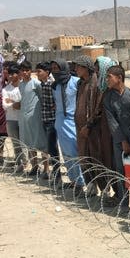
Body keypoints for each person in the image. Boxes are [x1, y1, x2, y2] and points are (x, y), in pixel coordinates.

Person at [103, 64, 130, 207]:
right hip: (119, 140)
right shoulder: (108, 98)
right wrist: (123, 140)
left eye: (109, 77)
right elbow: (112, 121)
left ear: (119, 78)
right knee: (121, 169)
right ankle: (124, 200)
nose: (107, 80)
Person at [74, 55, 109, 195]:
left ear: (86, 68)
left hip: (92, 129)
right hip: (80, 128)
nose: (76, 69)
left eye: (79, 67)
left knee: (96, 157)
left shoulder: (96, 83)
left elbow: (97, 108)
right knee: (84, 156)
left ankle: (104, 189)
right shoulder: (80, 83)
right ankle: (91, 185)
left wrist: (88, 125)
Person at [51, 59, 84, 192]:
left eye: (57, 68)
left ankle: (81, 182)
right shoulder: (55, 86)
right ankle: (73, 180)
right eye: (52, 69)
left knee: (75, 153)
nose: (54, 71)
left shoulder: (76, 82)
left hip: (73, 122)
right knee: (66, 154)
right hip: (60, 122)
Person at [18, 61, 48, 176]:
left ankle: (45, 168)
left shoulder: (36, 84)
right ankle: (35, 166)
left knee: (41, 142)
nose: (25, 72)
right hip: (25, 118)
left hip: (36, 117)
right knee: (30, 143)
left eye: (27, 70)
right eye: (23, 70)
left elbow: (42, 98)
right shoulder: (21, 85)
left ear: (31, 71)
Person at [2, 63, 27, 172]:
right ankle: (19, 162)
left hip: (23, 118)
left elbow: (24, 104)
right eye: (9, 74)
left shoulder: (24, 87)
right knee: (15, 142)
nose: (11, 76)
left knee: (24, 141)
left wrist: (13, 103)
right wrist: (15, 104)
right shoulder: (6, 89)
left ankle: (27, 161)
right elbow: (5, 105)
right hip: (11, 118)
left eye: (14, 74)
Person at [35, 61, 59, 179]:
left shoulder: (52, 84)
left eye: (39, 71)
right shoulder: (42, 84)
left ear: (47, 72)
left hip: (52, 120)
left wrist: (55, 106)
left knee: (52, 148)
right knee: (49, 147)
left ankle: (57, 172)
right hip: (45, 118)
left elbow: (58, 101)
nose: (37, 73)